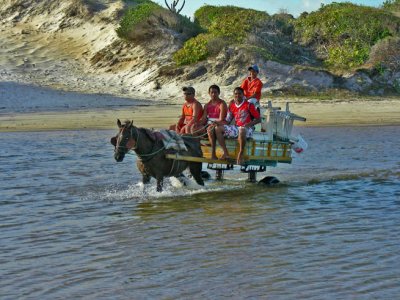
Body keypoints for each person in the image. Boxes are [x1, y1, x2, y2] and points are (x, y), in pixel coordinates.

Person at [210, 87, 261, 165]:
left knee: (242, 129)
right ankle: (226, 153)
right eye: (236, 94)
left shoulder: (249, 105)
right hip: (237, 127)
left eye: (239, 94)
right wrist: (218, 123)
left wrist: (248, 125)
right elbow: (227, 120)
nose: (237, 95)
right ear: (234, 95)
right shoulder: (232, 105)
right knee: (218, 129)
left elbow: (258, 119)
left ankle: (240, 154)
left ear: (243, 95)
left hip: (248, 128)